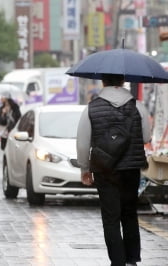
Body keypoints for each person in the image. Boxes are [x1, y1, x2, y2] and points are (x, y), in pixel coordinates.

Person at [76, 74, 151, 266]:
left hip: (105, 170)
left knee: (111, 217)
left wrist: (85, 169)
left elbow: (83, 143)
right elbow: (146, 137)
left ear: (103, 82)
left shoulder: (91, 108)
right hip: (131, 169)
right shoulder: (138, 106)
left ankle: (117, 262)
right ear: (122, 81)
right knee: (129, 213)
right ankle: (132, 258)